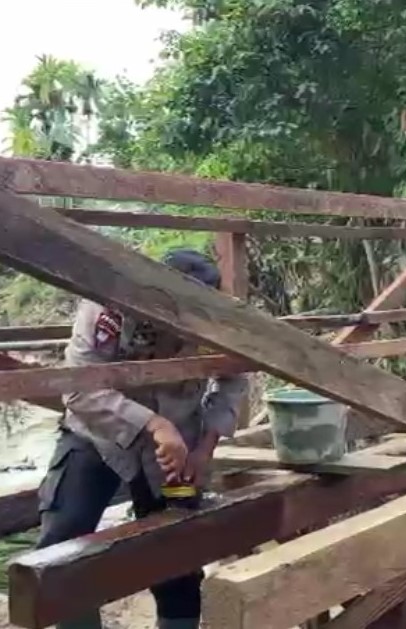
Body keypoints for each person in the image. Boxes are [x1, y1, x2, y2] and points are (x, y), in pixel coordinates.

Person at [36, 249, 249, 629]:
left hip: (178, 447)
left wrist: (205, 448)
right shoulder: (107, 311)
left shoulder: (218, 319)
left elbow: (233, 379)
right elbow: (79, 390)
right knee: (64, 546)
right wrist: (154, 425)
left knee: (177, 550)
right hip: (99, 435)